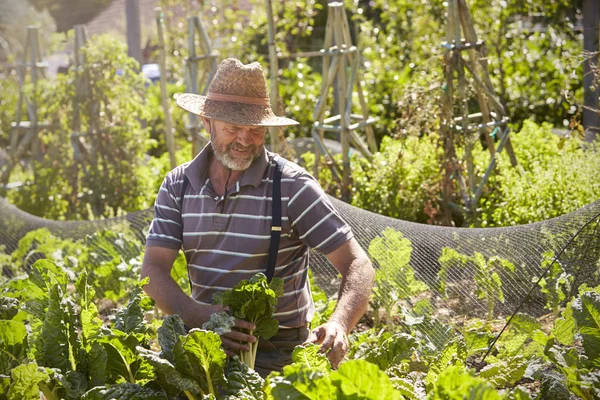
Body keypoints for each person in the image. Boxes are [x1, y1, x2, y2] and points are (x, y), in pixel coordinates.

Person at [140, 58, 374, 377]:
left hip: (276, 354)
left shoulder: (291, 187)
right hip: (203, 346)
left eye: (256, 130)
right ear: (206, 121)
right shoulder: (178, 185)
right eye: (233, 128)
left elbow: (356, 263)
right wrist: (195, 314)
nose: (244, 140)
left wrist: (339, 323)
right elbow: (153, 268)